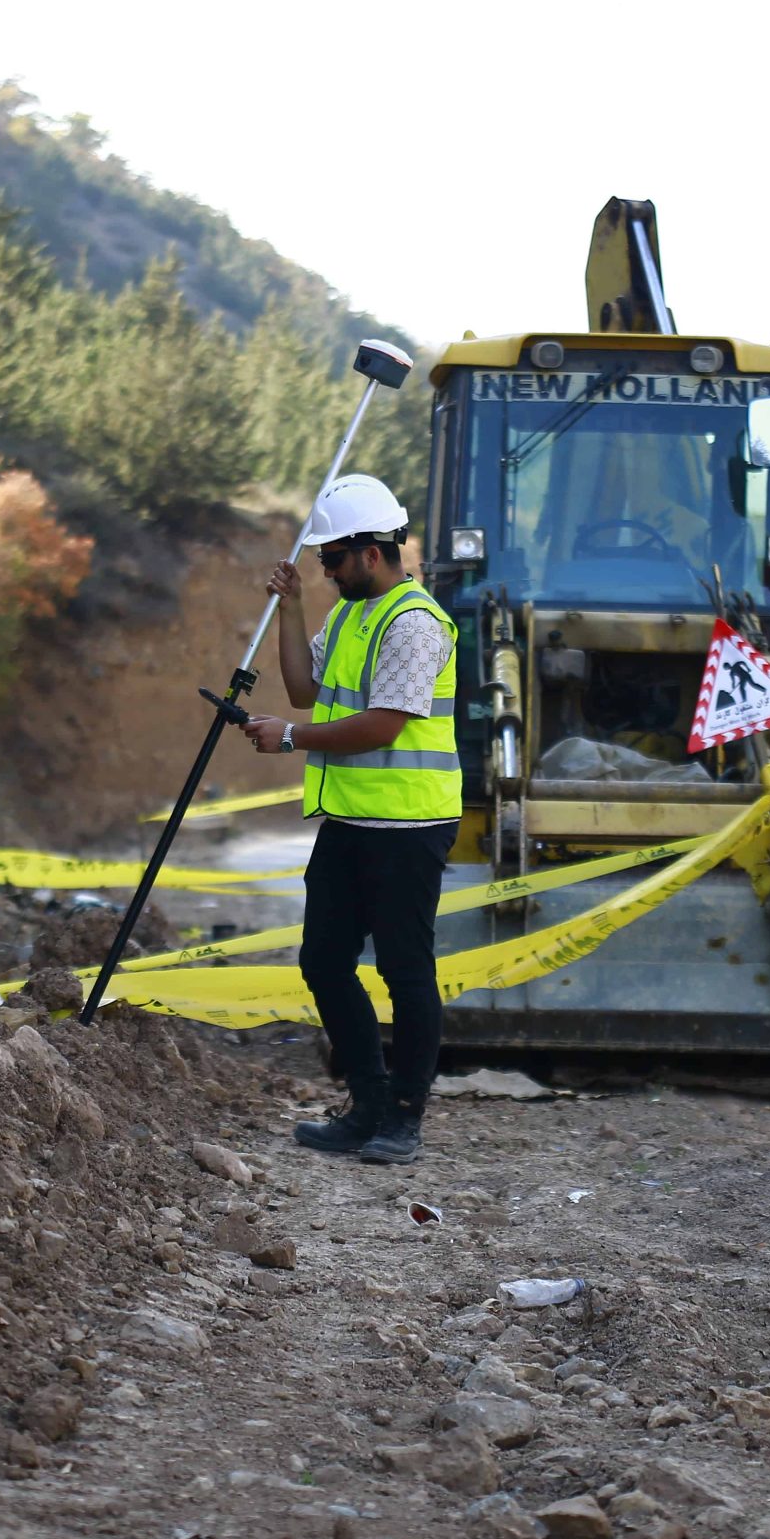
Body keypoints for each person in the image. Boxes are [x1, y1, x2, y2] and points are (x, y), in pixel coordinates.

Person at [240, 474, 459, 1165]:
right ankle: (366, 1104)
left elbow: (386, 725)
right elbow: (305, 689)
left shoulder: (413, 623)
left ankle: (403, 1116)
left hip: (408, 826)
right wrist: (292, 606)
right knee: (324, 960)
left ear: (370, 552)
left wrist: (293, 739)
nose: (326, 571)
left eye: (331, 560)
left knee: (404, 969)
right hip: (350, 821)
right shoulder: (349, 615)